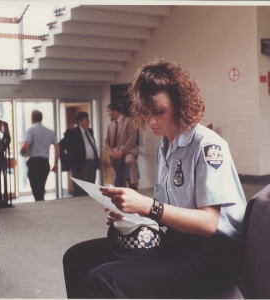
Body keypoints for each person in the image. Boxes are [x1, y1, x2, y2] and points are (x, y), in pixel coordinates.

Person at [62, 59, 247, 298]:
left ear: (181, 104)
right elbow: (168, 212)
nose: (150, 121)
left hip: (214, 258)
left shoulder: (207, 145)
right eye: (145, 112)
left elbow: (209, 223)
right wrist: (133, 212)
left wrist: (147, 206)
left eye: (159, 112)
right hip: (179, 242)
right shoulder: (165, 146)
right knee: (76, 258)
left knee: (103, 281)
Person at [20, 110, 59, 201]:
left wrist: (22, 152)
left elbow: (25, 146)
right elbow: (57, 147)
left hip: (34, 162)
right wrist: (56, 163)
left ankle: (39, 203)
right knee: (41, 186)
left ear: (32, 119)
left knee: (35, 188)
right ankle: (41, 202)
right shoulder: (50, 132)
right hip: (45, 162)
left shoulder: (31, 130)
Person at [59, 111, 99, 197]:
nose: (88, 121)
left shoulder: (90, 131)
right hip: (79, 165)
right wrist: (66, 160)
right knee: (79, 191)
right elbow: (60, 145)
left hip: (92, 164)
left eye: (88, 119)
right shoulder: (72, 132)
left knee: (90, 189)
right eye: (85, 119)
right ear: (79, 121)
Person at [104, 102, 139, 189]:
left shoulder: (129, 121)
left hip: (128, 150)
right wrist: (111, 152)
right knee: (118, 171)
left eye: (109, 111)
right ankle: (121, 188)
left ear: (115, 110)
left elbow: (132, 139)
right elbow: (106, 142)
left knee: (129, 161)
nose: (108, 114)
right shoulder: (110, 125)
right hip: (115, 154)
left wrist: (121, 151)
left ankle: (134, 183)